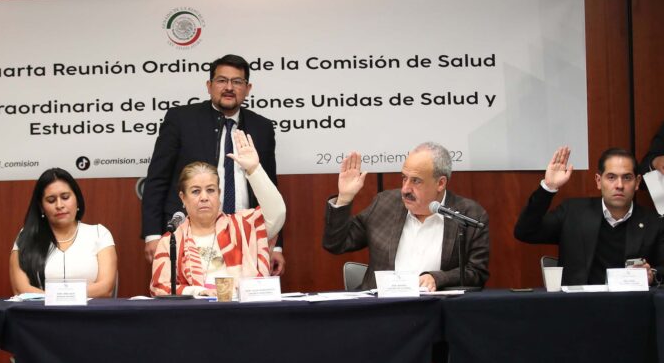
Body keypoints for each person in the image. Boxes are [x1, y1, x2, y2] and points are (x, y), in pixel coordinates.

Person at [141, 53, 285, 275]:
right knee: (189, 292)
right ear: (209, 86)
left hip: (245, 235)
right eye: (221, 80)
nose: (229, 87)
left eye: (237, 82)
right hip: (189, 233)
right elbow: (158, 179)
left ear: (248, 88)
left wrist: (276, 245)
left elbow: (269, 187)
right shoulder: (181, 119)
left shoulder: (262, 127)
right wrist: (152, 234)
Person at [322, 143, 490, 291]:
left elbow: (477, 272)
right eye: (404, 178)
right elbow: (336, 243)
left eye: (416, 181)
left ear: (440, 183)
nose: (405, 189)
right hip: (381, 308)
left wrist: (437, 278)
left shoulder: (469, 215)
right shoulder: (385, 204)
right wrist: (344, 198)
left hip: (434, 309)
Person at [150, 130, 285, 297]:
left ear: (219, 194)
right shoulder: (171, 241)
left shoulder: (243, 226)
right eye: (195, 191)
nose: (204, 197)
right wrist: (199, 292)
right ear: (183, 198)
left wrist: (254, 170)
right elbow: (160, 288)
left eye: (210, 190)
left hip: (242, 309)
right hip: (195, 311)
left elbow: (277, 214)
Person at [514, 146, 664, 285]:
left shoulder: (653, 222)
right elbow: (525, 232)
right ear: (598, 181)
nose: (619, 185)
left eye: (627, 178)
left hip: (631, 302)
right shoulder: (573, 213)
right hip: (580, 302)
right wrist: (548, 188)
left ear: (637, 182)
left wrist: (652, 274)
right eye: (611, 177)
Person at [10, 168, 117, 298]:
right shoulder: (27, 236)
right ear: (41, 207)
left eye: (65, 197)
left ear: (77, 199)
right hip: (40, 310)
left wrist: (55, 296)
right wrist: (59, 298)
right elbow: (21, 289)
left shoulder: (99, 234)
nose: (59, 205)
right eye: (51, 200)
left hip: (89, 310)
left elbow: (105, 288)